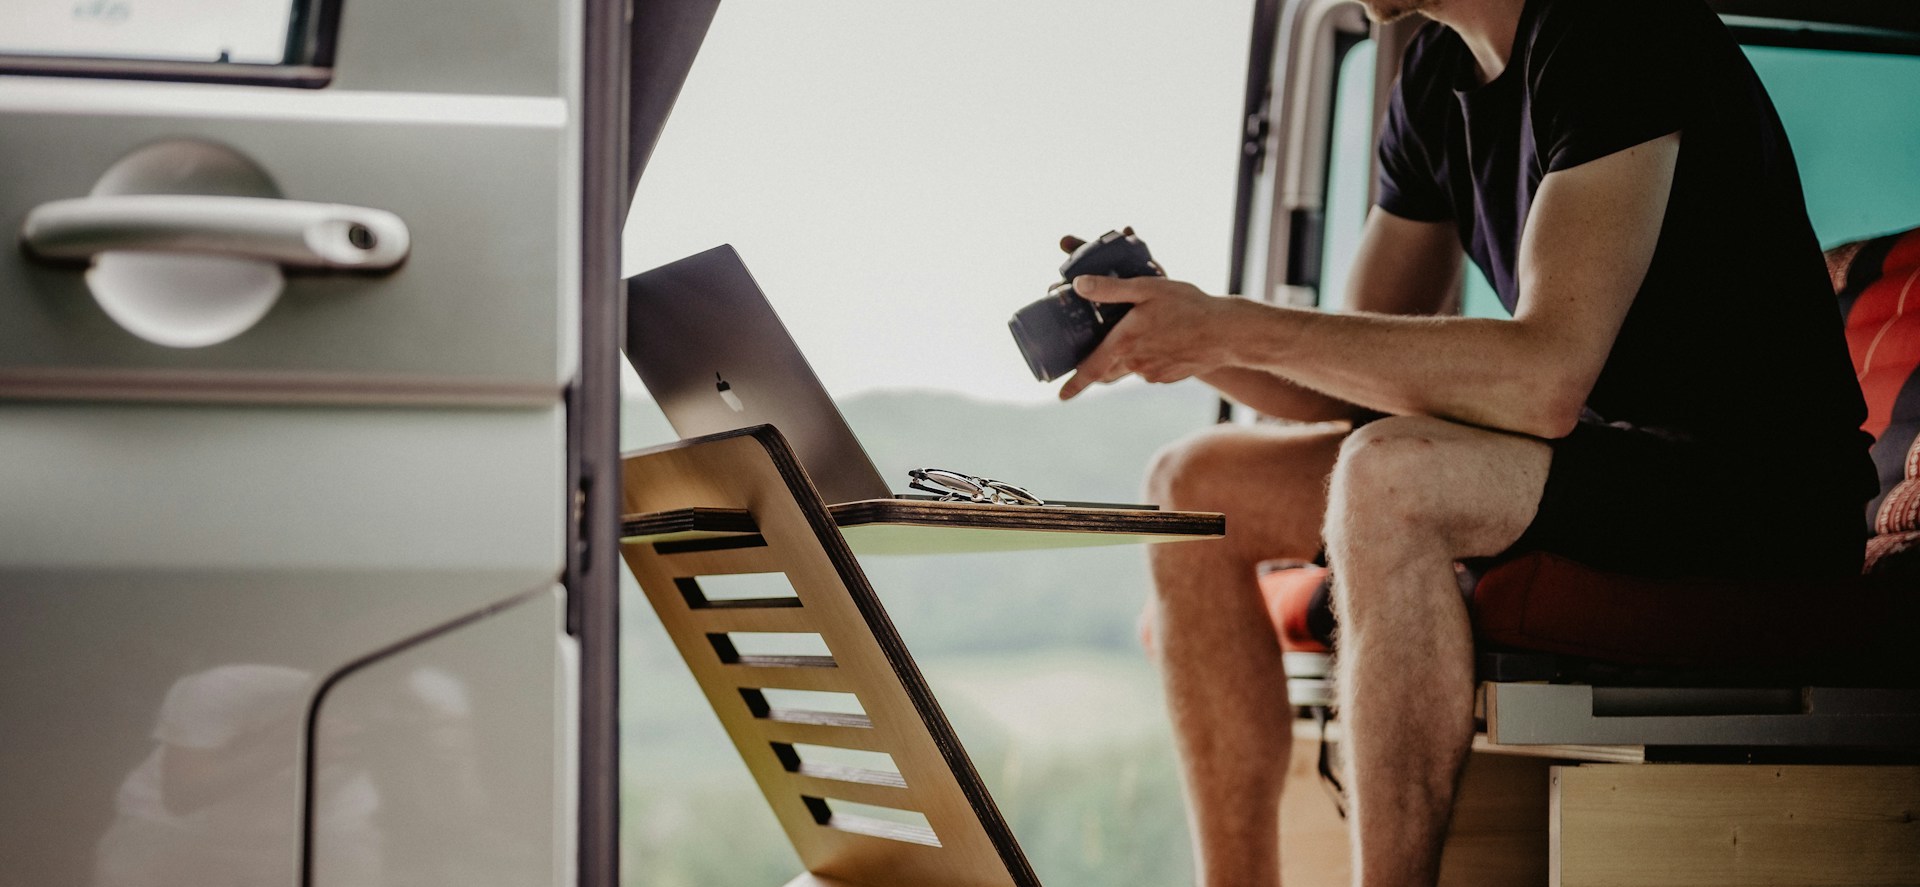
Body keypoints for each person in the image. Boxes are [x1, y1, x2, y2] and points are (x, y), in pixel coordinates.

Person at [1055, 0, 1876, 883]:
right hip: (1606, 460)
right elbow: (1347, 376)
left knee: (1391, 477)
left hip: (1751, 491)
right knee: (1193, 483)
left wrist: (1234, 327)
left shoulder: (1617, 28)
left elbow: (1545, 377)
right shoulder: (1434, 81)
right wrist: (1187, 333)